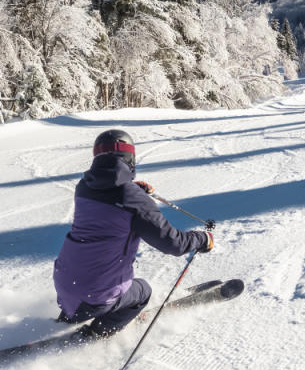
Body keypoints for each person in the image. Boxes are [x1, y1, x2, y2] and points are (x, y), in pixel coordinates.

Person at [53, 129, 213, 336]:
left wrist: (133, 189)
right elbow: (173, 243)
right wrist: (202, 239)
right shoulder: (132, 199)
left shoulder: (84, 187)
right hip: (96, 294)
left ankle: (67, 318)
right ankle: (95, 334)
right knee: (143, 291)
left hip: (64, 283)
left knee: (87, 288)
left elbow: (111, 196)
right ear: (130, 158)